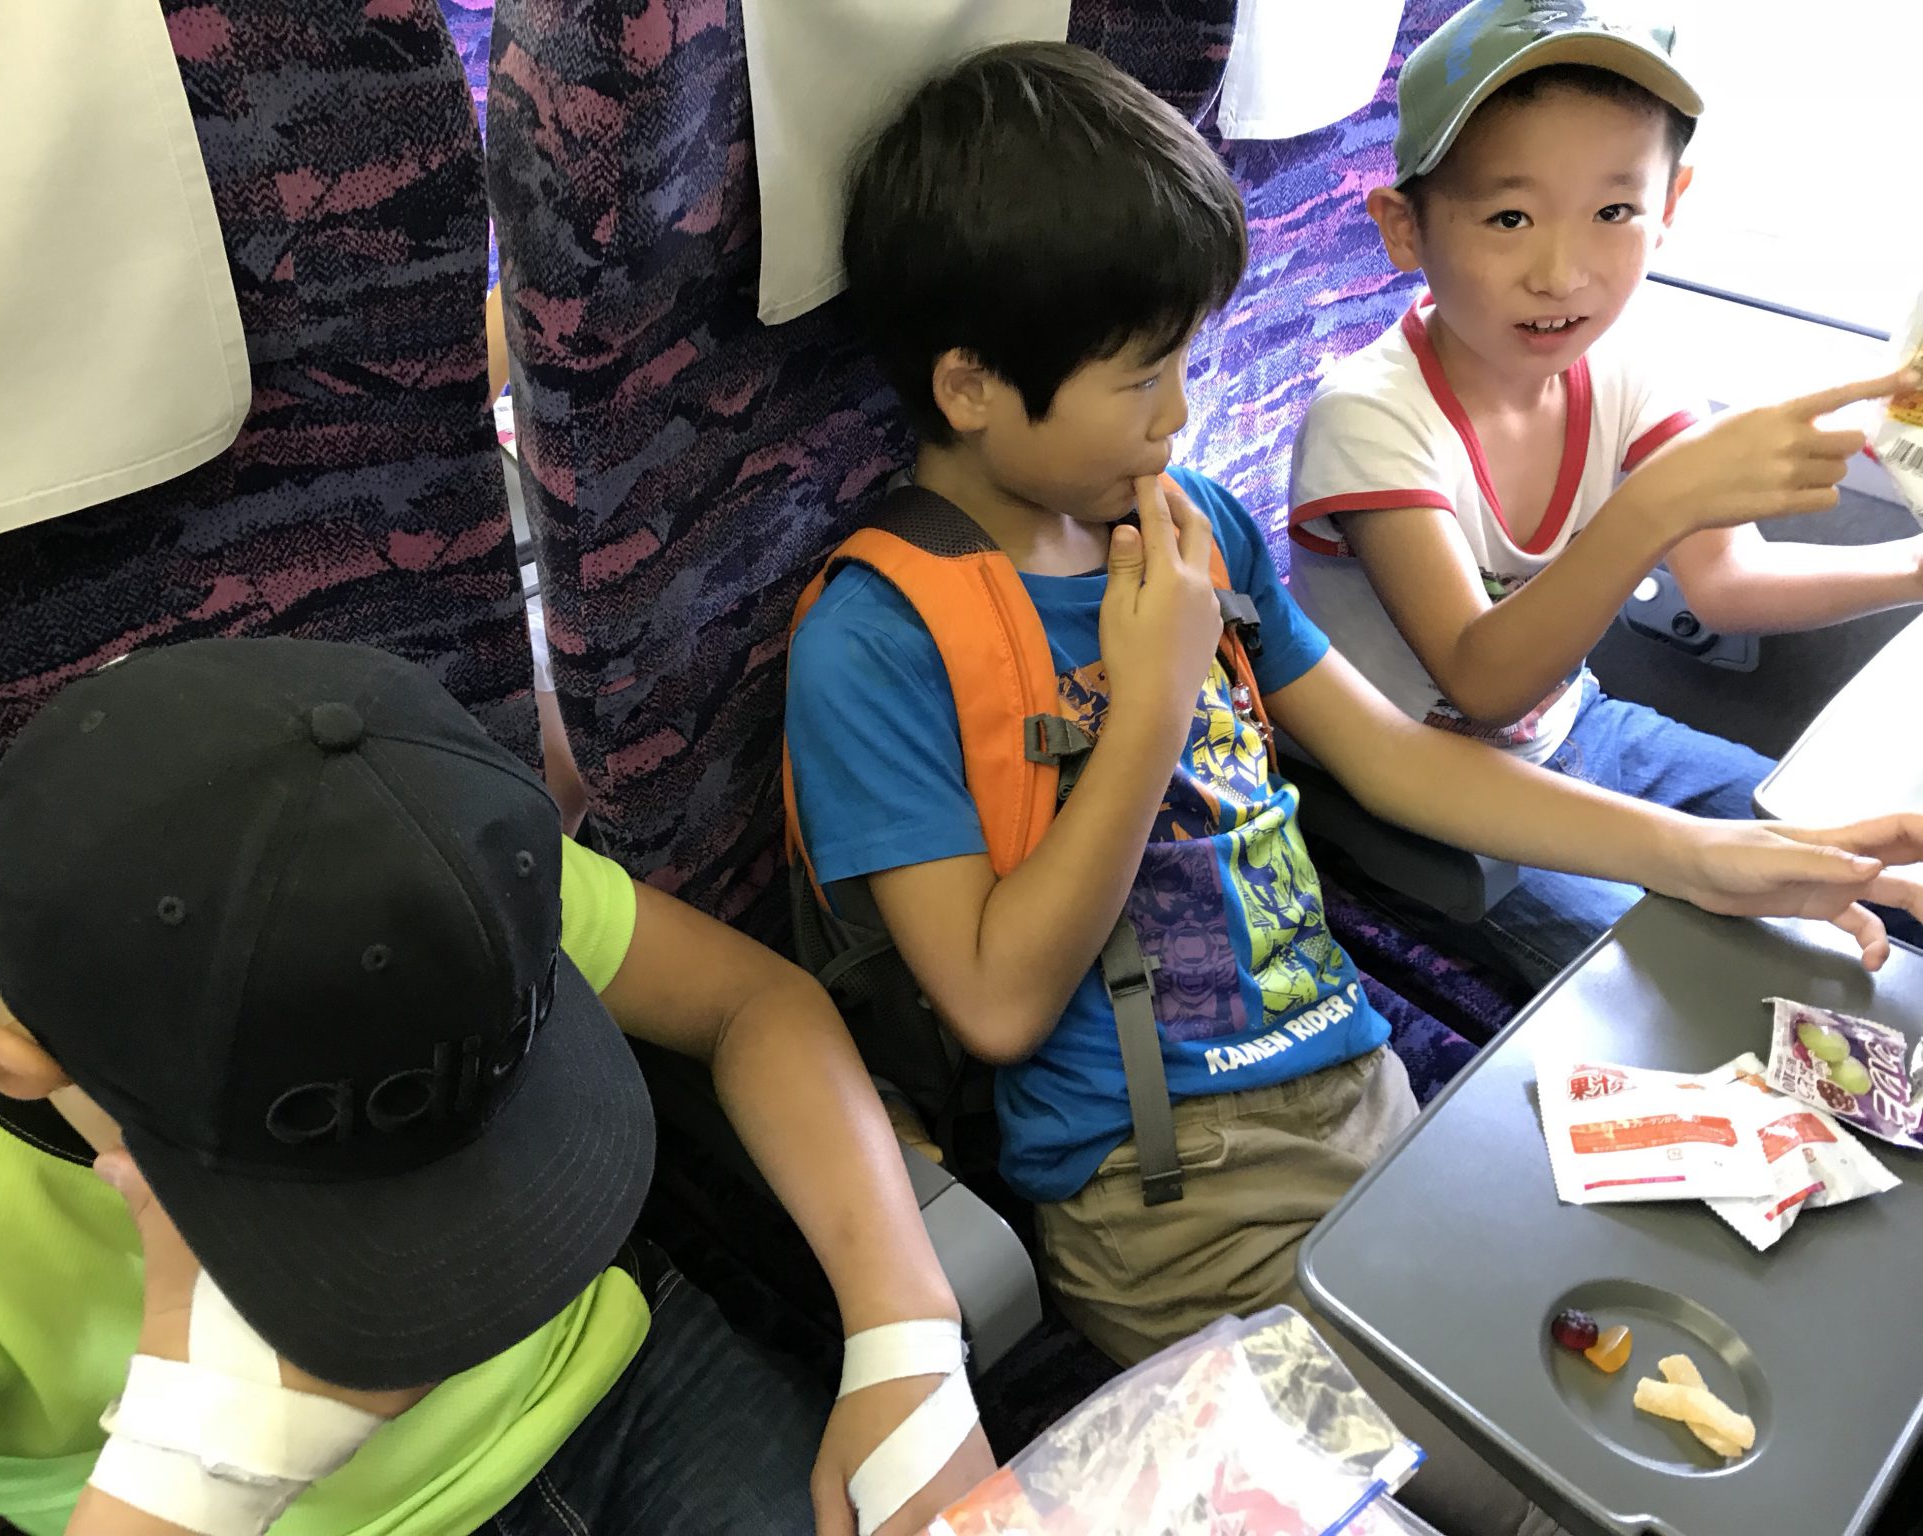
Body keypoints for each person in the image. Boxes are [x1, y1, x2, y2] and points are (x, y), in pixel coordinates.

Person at [783, 40, 1923, 1536]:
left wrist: (1693, 859)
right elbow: (994, 1003)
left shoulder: (1186, 520)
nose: (1181, 415)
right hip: (1168, 1201)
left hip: (1364, 1092)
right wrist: (1149, 703)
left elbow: (1393, 754)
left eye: (1188, 361)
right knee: (1560, 1498)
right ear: (971, 387)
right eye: (1143, 377)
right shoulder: (875, 640)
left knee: (1736, 1352)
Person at [0, 637, 993, 1536]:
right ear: (16, 1063)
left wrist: (904, 1329)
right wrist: (196, 1464)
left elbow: (748, 1002)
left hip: (606, 1382)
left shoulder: (394, 853)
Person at [1286, 0, 1923, 986]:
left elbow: (1727, 584)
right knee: (1723, 975)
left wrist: (1915, 566)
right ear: (1405, 228)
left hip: (1583, 727)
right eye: (1509, 218)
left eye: (1613, 212)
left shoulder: (1629, 367)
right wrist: (1658, 502)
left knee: (1859, 853)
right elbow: (1481, 680)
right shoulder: (1368, 420)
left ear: (1670, 206)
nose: (1562, 273)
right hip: (1436, 801)